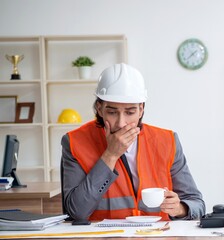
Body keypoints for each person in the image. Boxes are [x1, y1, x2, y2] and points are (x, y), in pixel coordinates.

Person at [61, 63, 205, 221]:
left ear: (141, 110)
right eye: (112, 112)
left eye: (130, 112)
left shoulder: (167, 141)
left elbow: (197, 205)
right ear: (99, 108)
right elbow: (75, 212)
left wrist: (180, 208)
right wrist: (110, 155)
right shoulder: (74, 142)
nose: (121, 123)